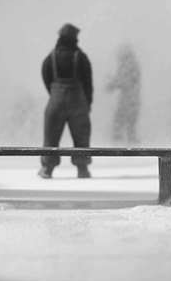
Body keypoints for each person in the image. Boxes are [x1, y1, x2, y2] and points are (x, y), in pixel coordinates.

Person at [38, 23, 93, 179]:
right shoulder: (80, 56)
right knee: (81, 135)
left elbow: (46, 76)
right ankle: (82, 168)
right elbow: (88, 82)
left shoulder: (51, 57)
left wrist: (55, 93)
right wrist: (87, 102)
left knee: (51, 135)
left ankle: (47, 168)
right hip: (78, 101)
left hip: (55, 100)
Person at [106, 42, 141, 144]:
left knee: (122, 124)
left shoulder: (128, 64)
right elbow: (125, 81)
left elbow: (126, 82)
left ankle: (123, 148)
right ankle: (129, 148)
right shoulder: (129, 64)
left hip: (129, 100)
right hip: (130, 100)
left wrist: (114, 84)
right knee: (127, 125)